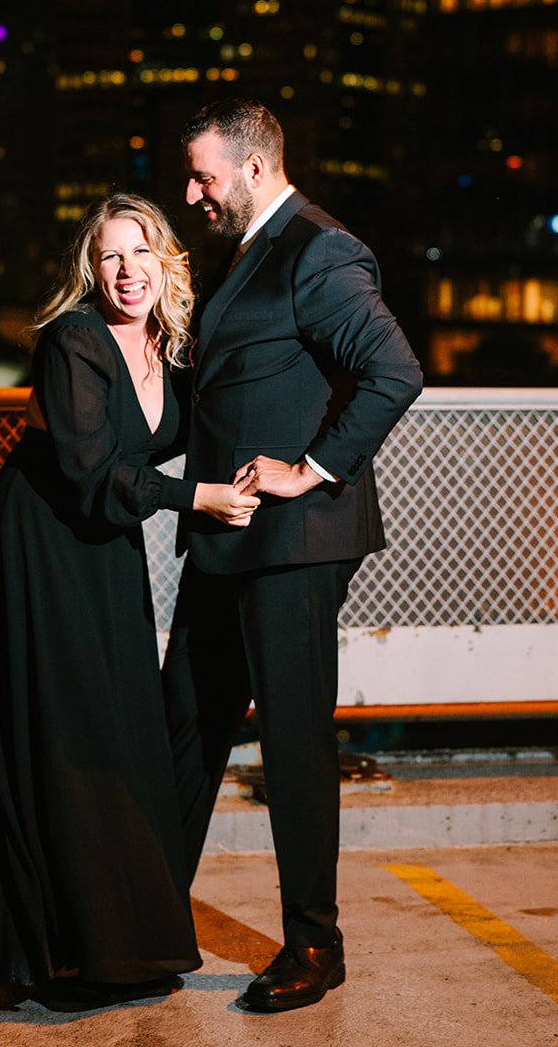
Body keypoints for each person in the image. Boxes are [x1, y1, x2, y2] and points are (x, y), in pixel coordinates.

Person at [0, 191, 258, 1010]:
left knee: (117, 731)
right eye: (109, 257)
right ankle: (59, 955)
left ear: (167, 260)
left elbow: (204, 430)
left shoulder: (172, 349)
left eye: (140, 253)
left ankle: (120, 945)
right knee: (66, 735)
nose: (127, 272)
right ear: (89, 270)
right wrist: (197, 497)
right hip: (45, 544)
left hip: (106, 551)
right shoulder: (73, 341)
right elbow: (92, 473)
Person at [162, 98, 423, 1014]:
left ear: (256, 167)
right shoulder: (246, 249)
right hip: (229, 534)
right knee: (183, 725)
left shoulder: (319, 248)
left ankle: (316, 944)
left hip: (296, 542)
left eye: (203, 174)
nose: (191, 192)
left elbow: (397, 371)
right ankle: (147, 926)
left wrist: (309, 471)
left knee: (295, 743)